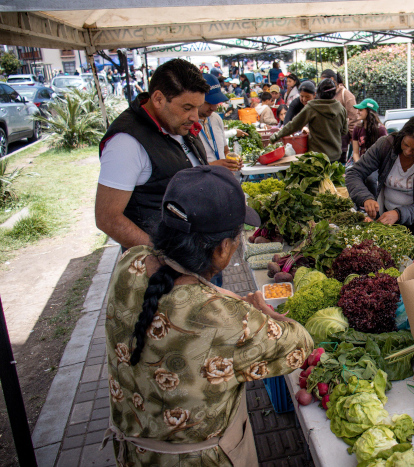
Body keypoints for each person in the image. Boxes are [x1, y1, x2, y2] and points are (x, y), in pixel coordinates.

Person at [103, 165, 314, 466]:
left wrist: (228, 304)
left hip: (134, 453)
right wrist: (266, 313)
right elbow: (300, 345)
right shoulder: (226, 318)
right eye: (237, 237)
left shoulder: (130, 261)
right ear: (222, 249)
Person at [95, 59, 210, 250]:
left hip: (196, 253)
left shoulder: (176, 125)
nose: (195, 117)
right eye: (187, 108)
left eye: (198, 107)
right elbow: (107, 218)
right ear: (158, 99)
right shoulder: (126, 142)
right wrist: (162, 256)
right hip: (165, 269)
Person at [345, 115, 414, 243]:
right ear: (402, 136)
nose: (408, 152)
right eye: (405, 144)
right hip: (384, 218)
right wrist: (365, 198)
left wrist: (398, 214)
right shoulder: (386, 145)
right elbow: (354, 173)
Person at [270, 79, 347, 161]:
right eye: (302, 96)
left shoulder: (312, 107)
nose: (304, 99)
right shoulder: (341, 109)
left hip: (317, 157)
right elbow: (344, 131)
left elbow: (294, 125)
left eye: (306, 96)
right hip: (335, 156)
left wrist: (276, 135)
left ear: (317, 93)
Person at [321, 69, 360, 160]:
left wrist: (352, 136)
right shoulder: (324, 94)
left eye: (324, 81)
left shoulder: (346, 94)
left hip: (341, 142)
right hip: (327, 142)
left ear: (332, 79)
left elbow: (354, 118)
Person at [350, 98, 387, 165]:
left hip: (376, 167)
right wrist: (359, 166)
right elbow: (355, 153)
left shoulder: (381, 130)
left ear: (369, 112)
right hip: (361, 165)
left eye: (360, 110)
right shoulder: (357, 128)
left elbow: (384, 154)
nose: (357, 112)